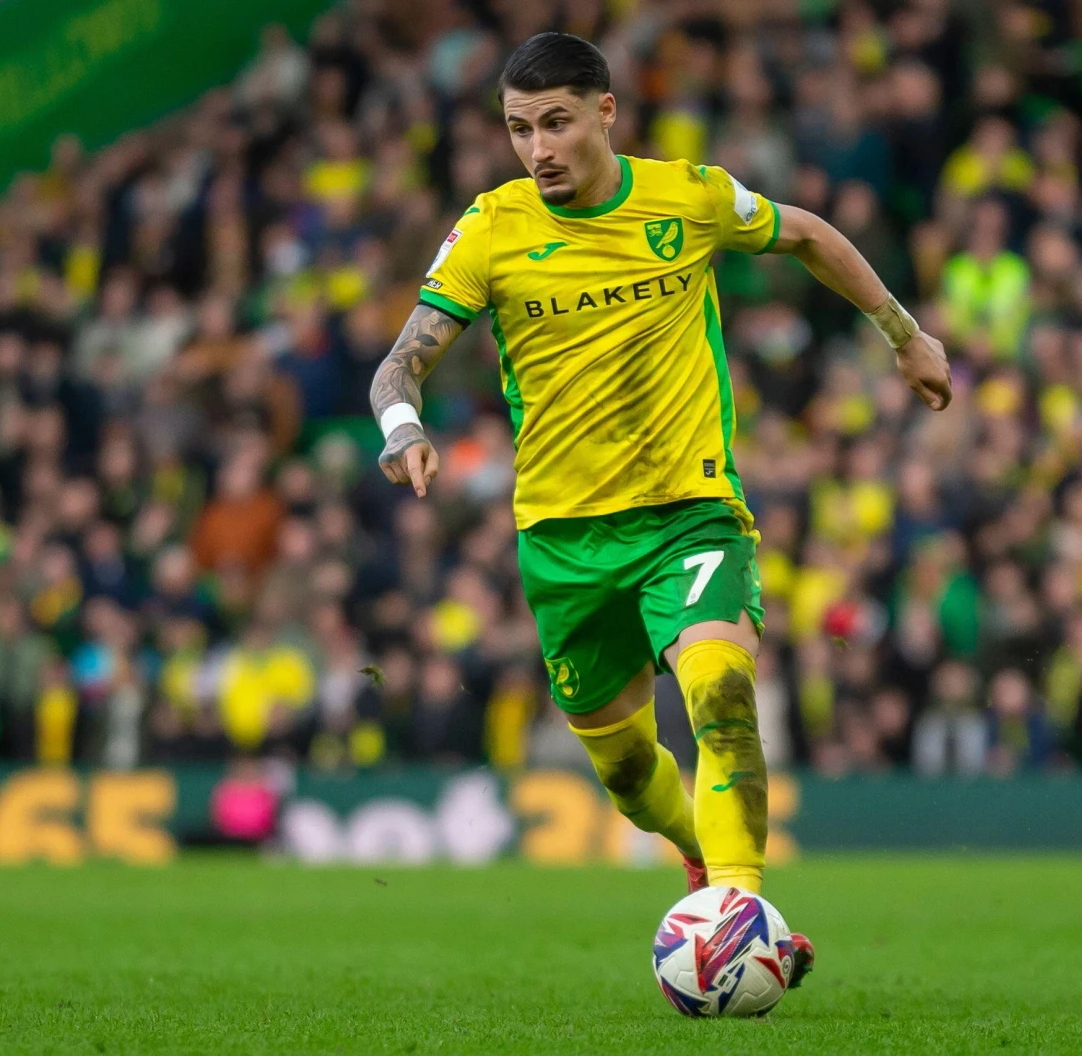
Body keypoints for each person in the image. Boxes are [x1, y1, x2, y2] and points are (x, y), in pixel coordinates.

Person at [369, 33, 951, 987]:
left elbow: (808, 233)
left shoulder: (688, 197)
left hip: (691, 510)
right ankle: (697, 854)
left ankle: (743, 912)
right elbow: (400, 363)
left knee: (720, 692)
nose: (538, 149)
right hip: (562, 539)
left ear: (606, 112)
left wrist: (904, 333)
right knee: (629, 774)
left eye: (556, 123)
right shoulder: (491, 229)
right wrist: (402, 428)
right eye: (519, 129)